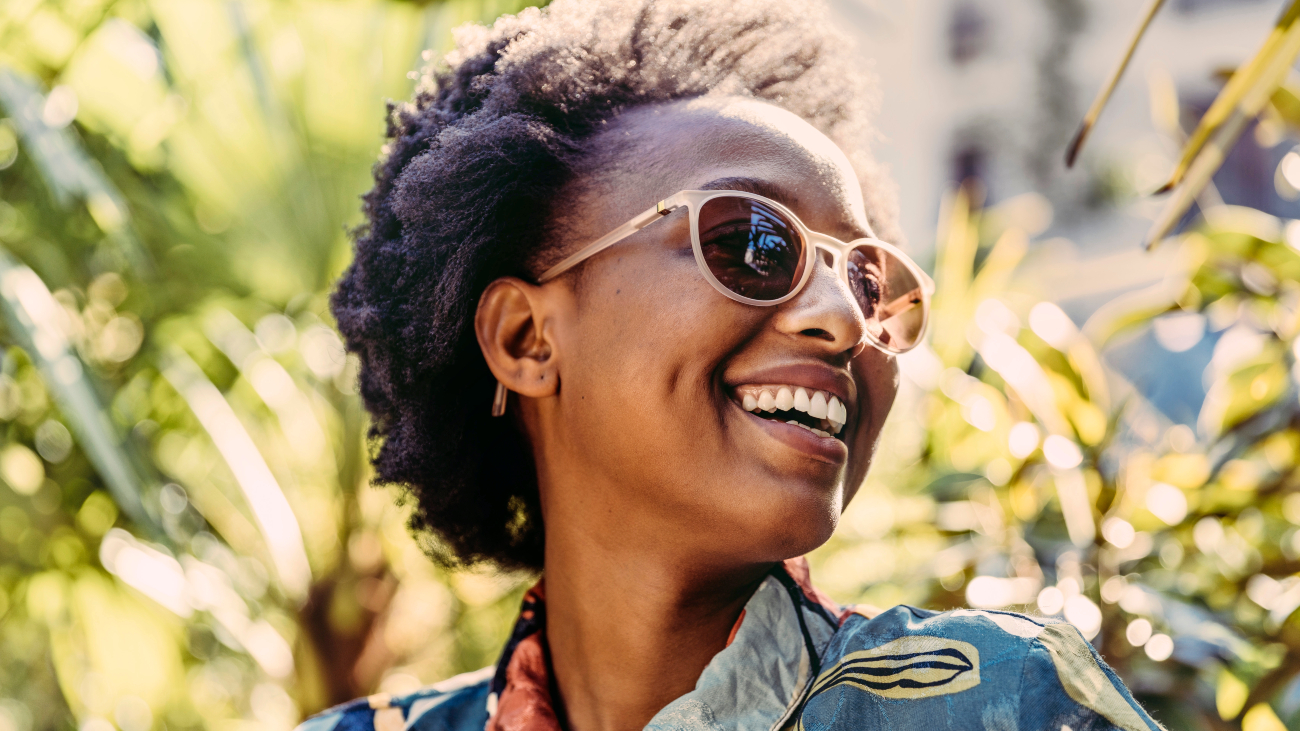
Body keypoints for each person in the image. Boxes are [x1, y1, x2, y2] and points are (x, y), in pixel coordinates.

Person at [304, 1, 1167, 729]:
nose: (842, 320)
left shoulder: (1000, 703)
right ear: (528, 338)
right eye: (753, 241)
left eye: (867, 281)